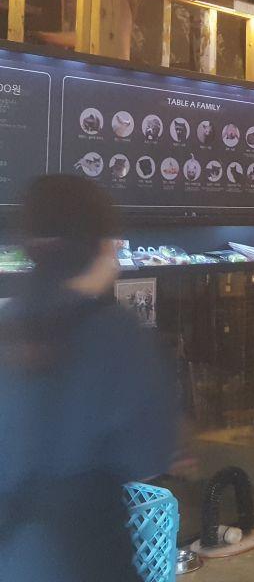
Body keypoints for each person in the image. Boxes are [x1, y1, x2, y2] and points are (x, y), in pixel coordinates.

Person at [0, 175, 178, 582]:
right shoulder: (115, 332)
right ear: (98, 246)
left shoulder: (8, 321)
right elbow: (149, 454)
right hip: (84, 554)